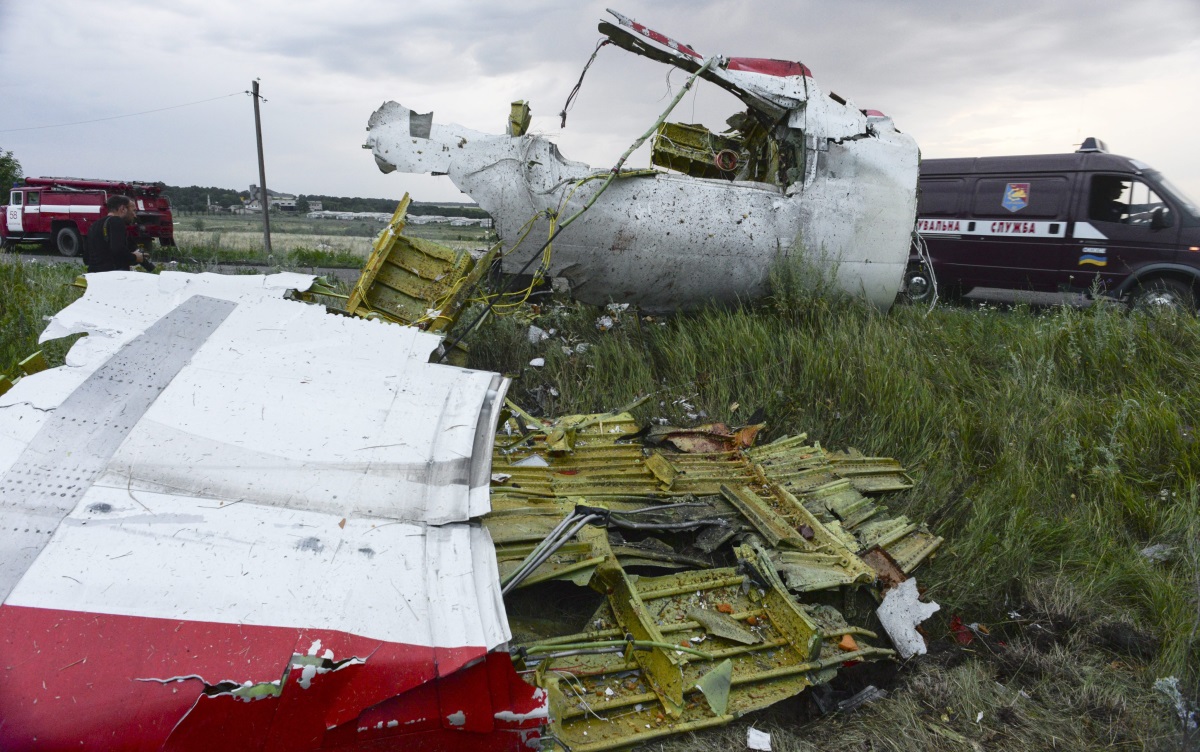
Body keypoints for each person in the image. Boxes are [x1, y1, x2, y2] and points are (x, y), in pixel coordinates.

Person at [86, 195, 148, 272]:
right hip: (113, 276)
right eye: (133, 211)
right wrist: (135, 257)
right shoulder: (116, 221)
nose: (135, 215)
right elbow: (118, 249)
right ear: (123, 209)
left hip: (93, 275)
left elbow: (86, 257)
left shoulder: (94, 225)